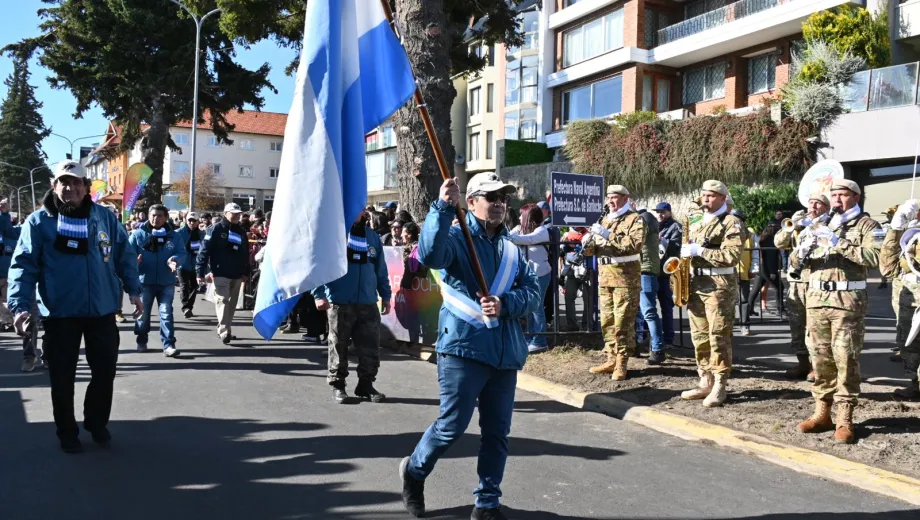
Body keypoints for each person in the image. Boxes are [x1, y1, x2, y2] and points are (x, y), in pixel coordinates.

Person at [399, 173, 539, 520]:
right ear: (471, 201)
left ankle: (487, 503)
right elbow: (429, 255)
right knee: (452, 426)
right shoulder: (456, 238)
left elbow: (534, 292)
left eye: (504, 199)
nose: (499, 204)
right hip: (463, 347)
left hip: (505, 351)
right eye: (491, 197)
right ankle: (414, 472)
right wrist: (442, 208)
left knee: (497, 433)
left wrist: (506, 304)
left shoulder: (511, 249)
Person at [8, 160, 143, 453]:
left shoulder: (104, 217)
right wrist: (19, 306)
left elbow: (124, 253)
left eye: (76, 182)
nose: (70, 187)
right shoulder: (39, 221)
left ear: (86, 188)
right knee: (62, 375)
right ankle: (67, 432)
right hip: (60, 313)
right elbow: (23, 266)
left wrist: (134, 289)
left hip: (102, 311)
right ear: (54, 186)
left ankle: (96, 423)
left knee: (105, 370)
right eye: (64, 182)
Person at [793, 179, 879, 444]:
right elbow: (796, 261)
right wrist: (804, 247)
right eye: (834, 195)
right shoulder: (822, 223)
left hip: (847, 301)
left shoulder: (868, 225)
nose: (837, 200)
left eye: (842, 195)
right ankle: (822, 412)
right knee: (820, 359)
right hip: (817, 299)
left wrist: (837, 241)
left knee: (846, 358)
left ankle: (845, 418)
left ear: (856, 196)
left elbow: (874, 258)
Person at [312, 210, 391, 403]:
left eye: (361, 207)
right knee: (338, 345)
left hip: (367, 301)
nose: (359, 210)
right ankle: (338, 385)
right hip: (340, 301)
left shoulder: (373, 237)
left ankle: (366, 384)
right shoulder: (335, 234)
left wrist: (386, 295)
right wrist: (318, 294)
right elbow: (319, 265)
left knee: (370, 346)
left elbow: (380, 269)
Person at [679, 180, 742, 408]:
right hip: (697, 282)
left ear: (723, 198)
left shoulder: (731, 222)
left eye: (712, 195)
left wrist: (701, 251)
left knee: (718, 335)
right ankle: (704, 379)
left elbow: (732, 255)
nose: (706, 198)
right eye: (704, 194)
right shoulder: (696, 220)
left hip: (719, 284)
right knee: (700, 335)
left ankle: (720, 384)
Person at [582, 185, 645, 381]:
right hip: (605, 277)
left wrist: (607, 234)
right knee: (607, 321)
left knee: (623, 322)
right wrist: (588, 243)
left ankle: (622, 362)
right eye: (608, 197)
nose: (610, 201)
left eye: (614, 197)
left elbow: (633, 245)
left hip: (625, 278)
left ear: (625, 198)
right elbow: (594, 251)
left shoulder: (634, 219)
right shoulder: (605, 219)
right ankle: (610, 358)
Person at [774, 194, 830, 380]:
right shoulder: (801, 224)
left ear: (826, 207)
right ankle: (802, 364)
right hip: (796, 282)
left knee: (814, 327)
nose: (813, 206)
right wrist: (793, 226)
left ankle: (817, 367)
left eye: (818, 203)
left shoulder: (830, 223)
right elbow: (779, 243)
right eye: (811, 203)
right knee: (796, 325)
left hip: (816, 282)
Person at [129, 204, 186, 357]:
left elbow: (182, 253)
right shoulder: (138, 235)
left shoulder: (174, 236)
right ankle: (141, 339)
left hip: (166, 282)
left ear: (165, 218)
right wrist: (134, 261)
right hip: (144, 282)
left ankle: (169, 345)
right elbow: (127, 255)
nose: (156, 218)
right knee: (143, 315)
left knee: (166, 313)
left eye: (160, 216)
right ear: (148, 216)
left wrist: (175, 260)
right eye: (153, 215)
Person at [880, 198, 920, 399]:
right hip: (909, 301)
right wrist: (896, 229)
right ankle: (915, 384)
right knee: (908, 344)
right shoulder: (909, 238)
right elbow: (887, 268)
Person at [196, 203, 251, 344]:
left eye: (238, 213)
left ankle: (225, 327)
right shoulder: (215, 229)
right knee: (223, 301)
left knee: (232, 304)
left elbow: (245, 252)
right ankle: (224, 331)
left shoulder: (241, 231)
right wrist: (200, 272)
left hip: (237, 273)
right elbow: (204, 251)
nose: (237, 215)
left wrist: (246, 271)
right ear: (225, 213)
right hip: (220, 273)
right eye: (234, 213)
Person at [509, 203, 552, 353]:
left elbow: (527, 239)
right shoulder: (520, 229)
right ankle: (529, 337)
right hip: (526, 275)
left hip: (540, 274)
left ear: (529, 217)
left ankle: (540, 341)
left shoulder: (542, 231)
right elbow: (511, 235)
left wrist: (508, 236)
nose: (520, 218)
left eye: (522, 215)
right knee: (528, 308)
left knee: (537, 308)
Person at [636, 207, 665, 365]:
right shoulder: (653, 230)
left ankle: (658, 349)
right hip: (647, 273)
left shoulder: (645, 230)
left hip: (644, 273)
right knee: (643, 312)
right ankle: (641, 344)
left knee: (648, 312)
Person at [746, 219, 785, 319]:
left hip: (761, 268)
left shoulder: (762, 239)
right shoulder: (771, 241)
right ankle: (780, 308)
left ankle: (749, 309)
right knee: (780, 287)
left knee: (755, 290)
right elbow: (770, 258)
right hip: (767, 269)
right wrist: (772, 272)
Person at [656, 202, 681, 347]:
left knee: (666, 308)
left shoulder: (675, 227)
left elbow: (677, 248)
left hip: (668, 273)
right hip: (655, 272)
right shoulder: (656, 226)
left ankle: (669, 339)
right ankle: (652, 337)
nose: (660, 214)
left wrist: (663, 241)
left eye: (663, 212)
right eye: (658, 212)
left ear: (669, 212)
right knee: (650, 308)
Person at [560, 226, 595, 332]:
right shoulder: (566, 236)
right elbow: (561, 255)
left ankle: (587, 325)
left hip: (587, 271)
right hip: (571, 270)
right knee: (569, 297)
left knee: (588, 299)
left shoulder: (590, 235)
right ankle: (572, 325)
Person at [735, 210, 758, 336]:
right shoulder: (725, 231)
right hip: (727, 273)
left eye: (738, 219)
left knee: (744, 299)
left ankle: (744, 325)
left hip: (743, 271)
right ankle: (727, 327)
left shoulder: (750, 234)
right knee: (726, 301)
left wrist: (753, 268)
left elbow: (755, 252)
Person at [176, 212, 203, 318]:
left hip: (195, 264)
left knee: (193, 287)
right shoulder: (178, 233)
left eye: (194, 221)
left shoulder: (202, 234)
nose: (191, 223)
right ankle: (185, 307)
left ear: (197, 222)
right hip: (182, 264)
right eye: (189, 220)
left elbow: (204, 249)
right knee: (184, 286)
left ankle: (189, 307)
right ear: (185, 221)